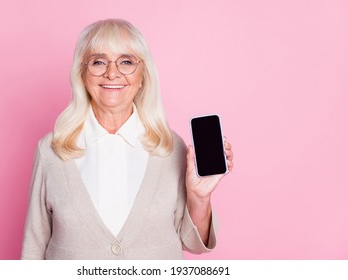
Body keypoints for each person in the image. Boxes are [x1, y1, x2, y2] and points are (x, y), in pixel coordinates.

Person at [21, 18, 234, 260]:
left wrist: (200, 196)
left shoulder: (170, 148)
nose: (112, 73)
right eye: (98, 62)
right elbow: (34, 245)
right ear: (82, 73)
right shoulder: (51, 149)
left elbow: (194, 243)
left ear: (143, 76)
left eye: (126, 62)